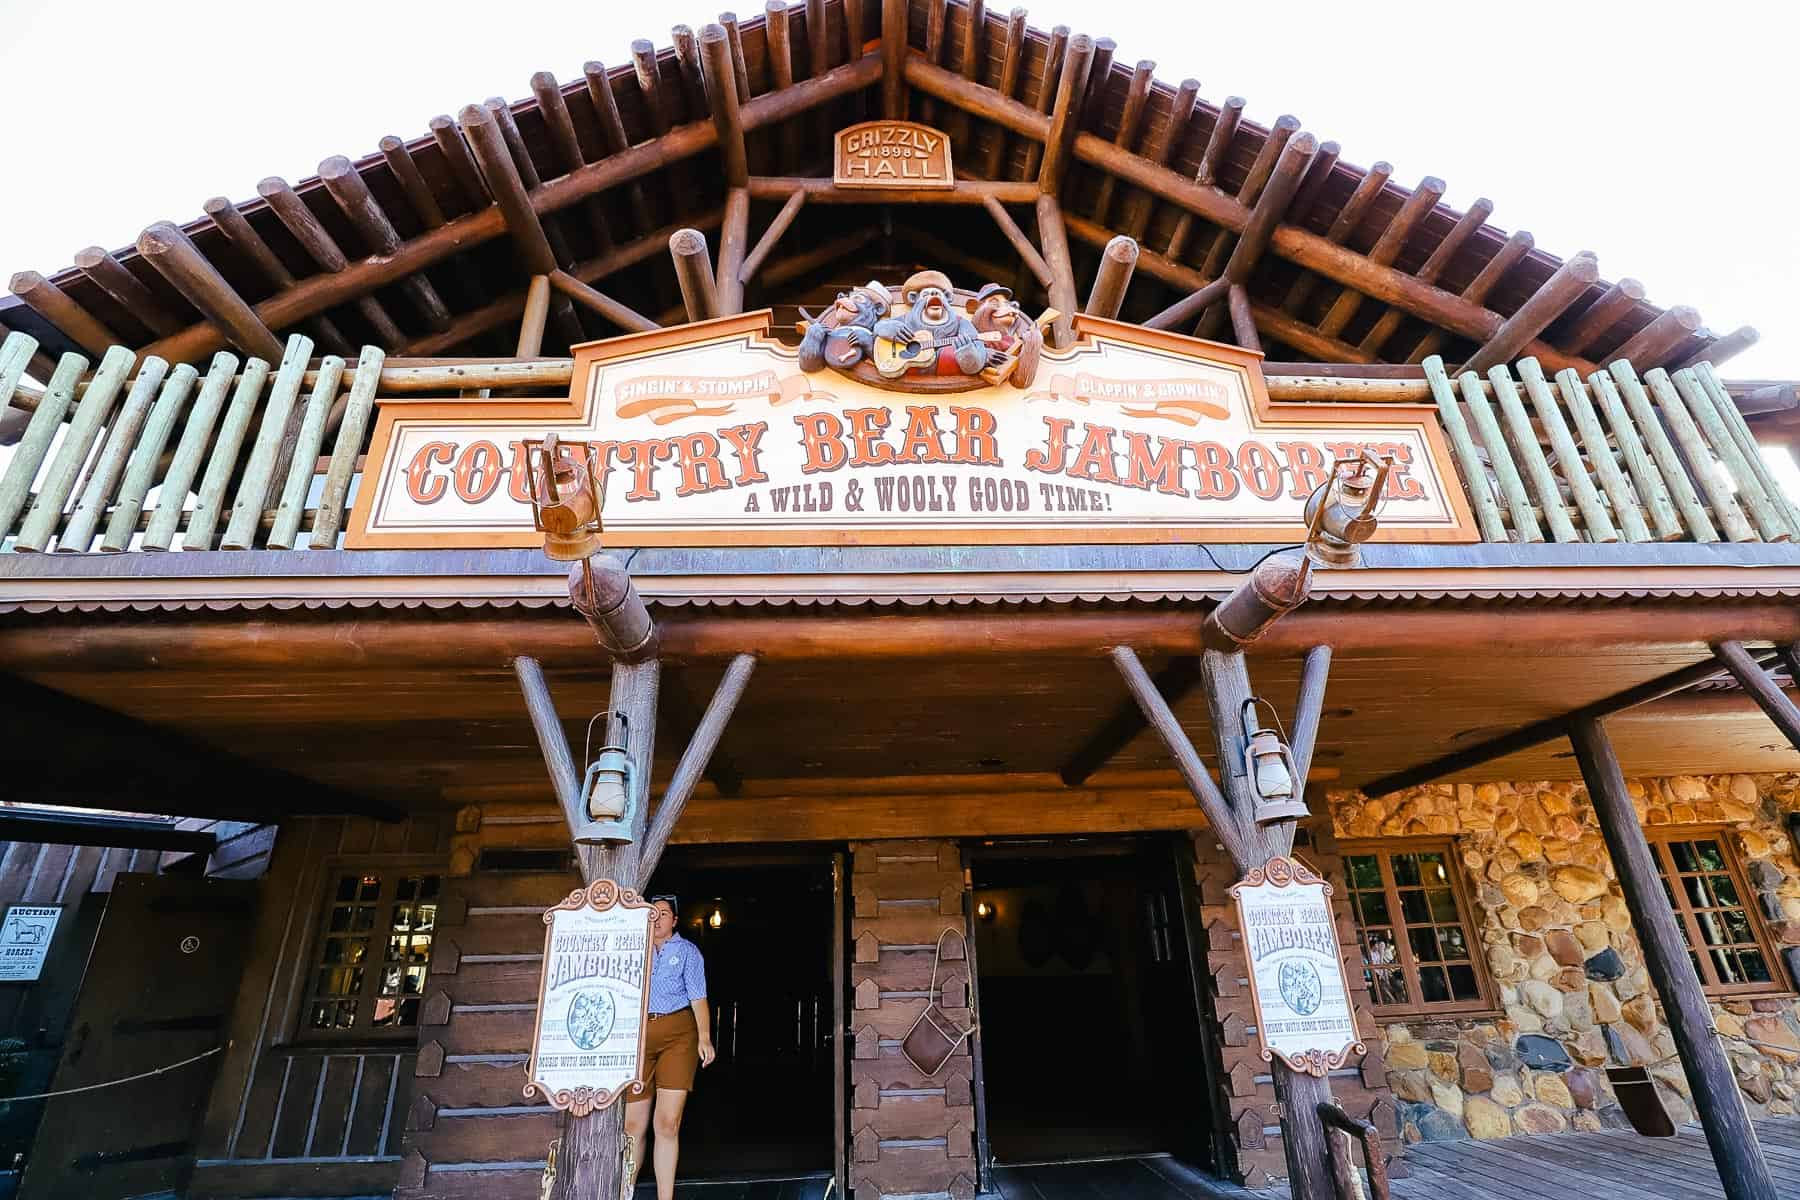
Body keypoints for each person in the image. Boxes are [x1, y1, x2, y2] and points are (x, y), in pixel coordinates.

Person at [623, 895, 714, 1200]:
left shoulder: (688, 952)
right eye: (652, 913)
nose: (656, 918)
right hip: (637, 1038)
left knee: (666, 1123)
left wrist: (704, 1037)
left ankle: (665, 1197)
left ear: (674, 920)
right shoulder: (634, 949)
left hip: (678, 1036)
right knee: (632, 1124)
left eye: (663, 913)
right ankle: (625, 1193)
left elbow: (698, 997)